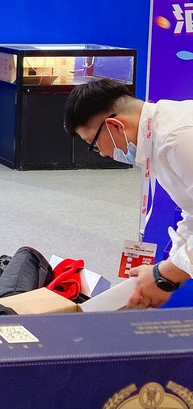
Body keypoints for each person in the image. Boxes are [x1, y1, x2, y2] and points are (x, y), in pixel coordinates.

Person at [64, 77, 193, 307]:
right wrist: (164, 277)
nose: (102, 153)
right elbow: (191, 210)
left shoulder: (177, 138)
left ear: (115, 126)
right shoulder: (160, 138)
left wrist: (165, 274)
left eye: (93, 144)